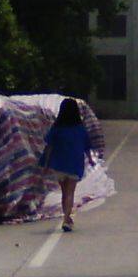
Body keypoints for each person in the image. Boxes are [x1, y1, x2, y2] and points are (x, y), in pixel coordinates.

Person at [41, 98, 91, 232]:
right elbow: (87, 146)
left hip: (59, 164)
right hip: (74, 163)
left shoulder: (56, 128)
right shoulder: (80, 128)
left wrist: (46, 165)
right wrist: (91, 159)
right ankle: (66, 219)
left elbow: (49, 146)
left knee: (64, 192)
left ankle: (67, 217)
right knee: (70, 193)